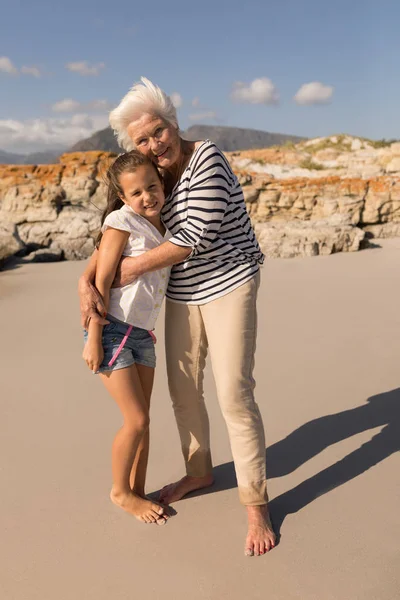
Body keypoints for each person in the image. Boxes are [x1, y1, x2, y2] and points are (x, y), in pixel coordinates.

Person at [79, 77, 276, 556]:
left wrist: (124, 271)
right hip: (183, 293)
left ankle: (256, 504)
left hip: (230, 281)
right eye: (142, 140)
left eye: (158, 131)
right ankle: (200, 470)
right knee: (183, 391)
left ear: (173, 120)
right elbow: (116, 223)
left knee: (233, 392)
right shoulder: (154, 177)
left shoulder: (206, 157)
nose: (154, 144)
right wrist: (87, 278)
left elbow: (193, 237)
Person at [82, 150, 171, 525]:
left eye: (152, 186)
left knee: (144, 419)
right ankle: (120, 492)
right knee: (134, 420)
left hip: (144, 334)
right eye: (136, 193)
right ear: (123, 197)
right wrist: (93, 336)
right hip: (113, 329)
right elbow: (100, 281)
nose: (146, 196)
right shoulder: (121, 221)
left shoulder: (163, 226)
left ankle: (138, 490)